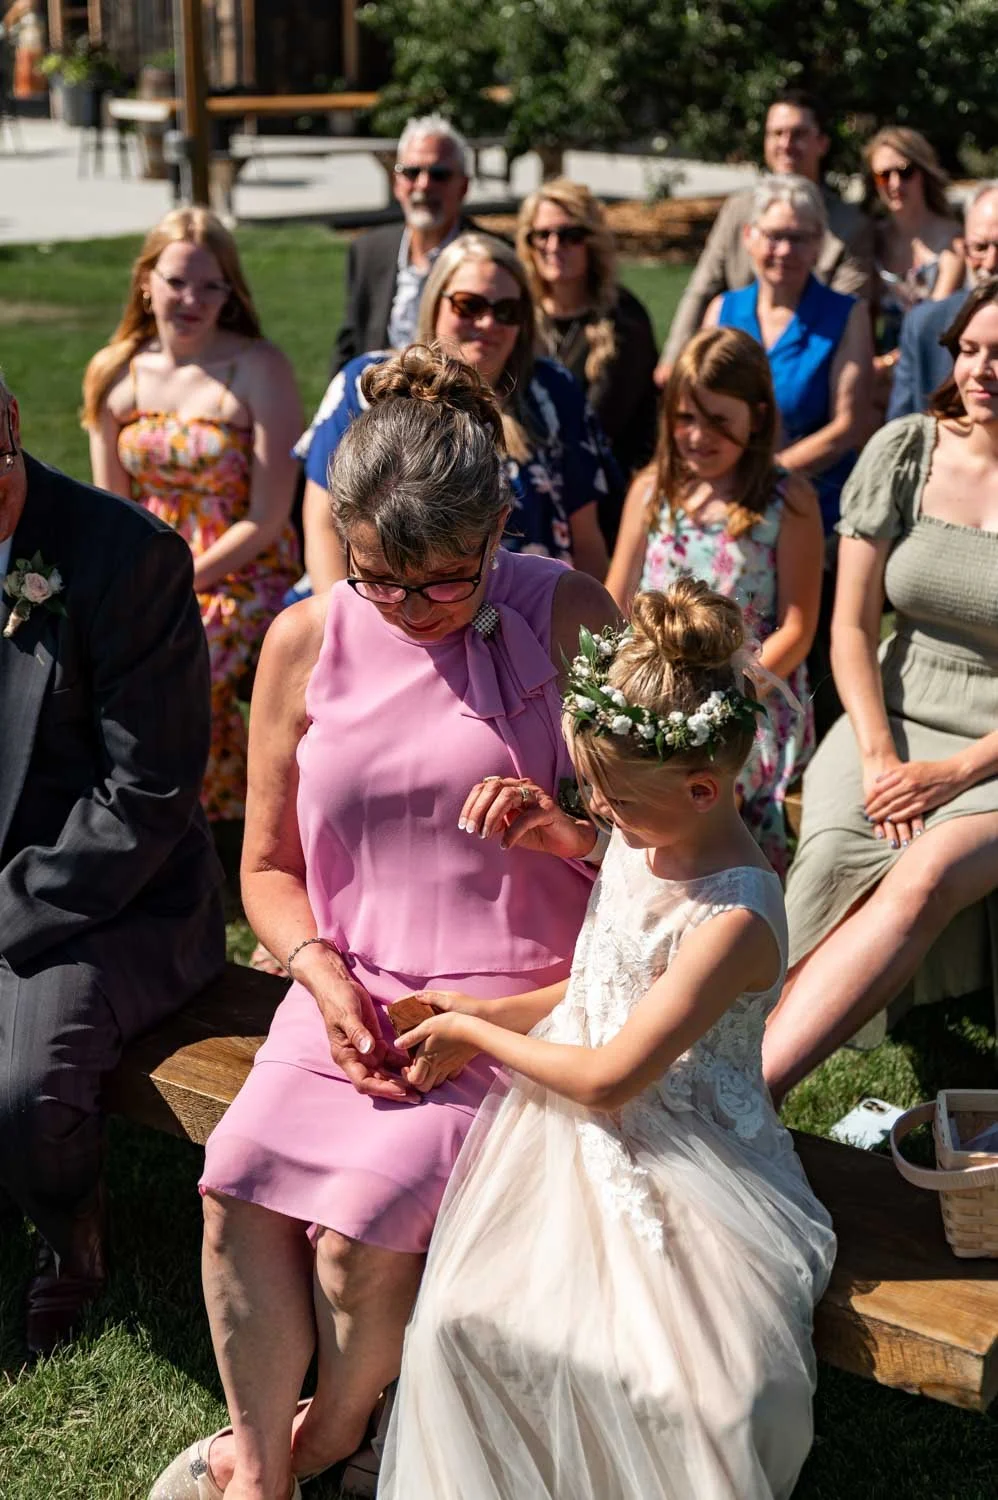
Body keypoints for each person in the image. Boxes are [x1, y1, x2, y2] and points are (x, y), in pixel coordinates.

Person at [148, 346, 618, 1500]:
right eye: (379, 581)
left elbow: (674, 858)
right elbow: (264, 864)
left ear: (500, 522)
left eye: (444, 582)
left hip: (513, 1009)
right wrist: (316, 974)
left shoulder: (568, 616)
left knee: (358, 1241)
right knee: (235, 1189)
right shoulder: (306, 639)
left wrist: (565, 831)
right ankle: (261, 1474)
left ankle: (324, 1440)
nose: (410, 611)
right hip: (345, 990)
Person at [379, 580, 836, 1500]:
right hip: (566, 1128)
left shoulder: (735, 920)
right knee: (460, 1322)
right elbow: (597, 984)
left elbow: (609, 1077)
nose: (600, 812)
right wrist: (477, 1000)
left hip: (687, 1151)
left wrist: (477, 1027)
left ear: (705, 787)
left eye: (613, 800)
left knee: (699, 1395)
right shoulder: (650, 830)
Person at [0, 374, 225, 1357]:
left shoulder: (123, 558)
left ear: (7, 424)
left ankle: (71, 1236)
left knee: (25, 1087)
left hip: (114, 900)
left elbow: (147, 794)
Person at [762, 280, 998, 1105]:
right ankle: (717, 1054)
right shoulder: (906, 449)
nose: (980, 369)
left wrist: (958, 772)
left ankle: (752, 1092)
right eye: (969, 350)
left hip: (990, 751)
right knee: (828, 853)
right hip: (889, 717)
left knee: (927, 870)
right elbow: (853, 629)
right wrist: (878, 756)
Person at [84, 207, 303, 825]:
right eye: (177, 281)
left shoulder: (260, 368)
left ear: (231, 293)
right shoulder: (114, 371)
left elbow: (266, 517)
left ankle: (204, 817)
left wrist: (181, 577)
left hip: (241, 569)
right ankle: (134, 807)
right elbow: (114, 506)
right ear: (145, 281)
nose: (192, 299)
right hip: (145, 561)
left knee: (191, 651)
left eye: (211, 285)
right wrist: (136, 579)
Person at [606, 327, 822, 876]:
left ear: (757, 415)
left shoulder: (785, 500)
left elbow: (798, 626)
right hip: (651, 684)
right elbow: (616, 598)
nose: (698, 436)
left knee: (695, 776)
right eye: (684, 418)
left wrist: (723, 698)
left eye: (719, 422)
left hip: (748, 692)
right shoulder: (652, 490)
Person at [299, 234, 614, 587]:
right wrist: (349, 627)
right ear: (435, 303)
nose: (487, 323)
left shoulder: (553, 392)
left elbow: (586, 538)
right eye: (469, 305)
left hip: (528, 613)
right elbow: (323, 523)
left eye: (507, 311)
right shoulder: (368, 385)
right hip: (390, 607)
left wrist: (591, 629)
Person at [704, 174, 873, 737]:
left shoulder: (844, 315)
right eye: (774, 235)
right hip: (730, 509)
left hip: (811, 510)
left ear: (820, 245)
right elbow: (696, 406)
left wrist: (771, 473)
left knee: (812, 646)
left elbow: (850, 422)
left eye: (801, 238)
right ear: (749, 237)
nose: (785, 250)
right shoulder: (724, 310)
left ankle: (810, 755)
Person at [656, 89, 874, 383]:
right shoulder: (738, 210)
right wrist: (674, 359)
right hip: (731, 357)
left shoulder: (850, 225)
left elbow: (843, 317)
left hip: (808, 366)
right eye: (776, 134)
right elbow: (702, 287)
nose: (786, 144)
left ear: (822, 143)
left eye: (798, 134)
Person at [516, 178, 658, 541]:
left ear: (592, 242)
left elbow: (599, 428)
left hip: (604, 504)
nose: (553, 246)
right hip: (525, 495)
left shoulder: (623, 320)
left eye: (569, 235)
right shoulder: (514, 314)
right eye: (541, 235)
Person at [331, 115, 482, 373]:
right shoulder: (369, 251)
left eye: (439, 174)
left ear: (464, 186)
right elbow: (350, 346)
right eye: (412, 172)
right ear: (396, 183)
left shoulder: (488, 258)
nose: (424, 185)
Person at [887, 183, 998, 420]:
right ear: (964, 249)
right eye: (980, 247)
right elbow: (901, 430)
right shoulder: (924, 326)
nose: (990, 263)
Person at [864, 126, 964, 378]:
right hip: (879, 374)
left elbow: (935, 322)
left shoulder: (953, 240)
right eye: (883, 176)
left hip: (932, 366)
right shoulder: (871, 238)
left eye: (906, 172)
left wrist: (885, 364)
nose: (895, 183)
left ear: (924, 173)